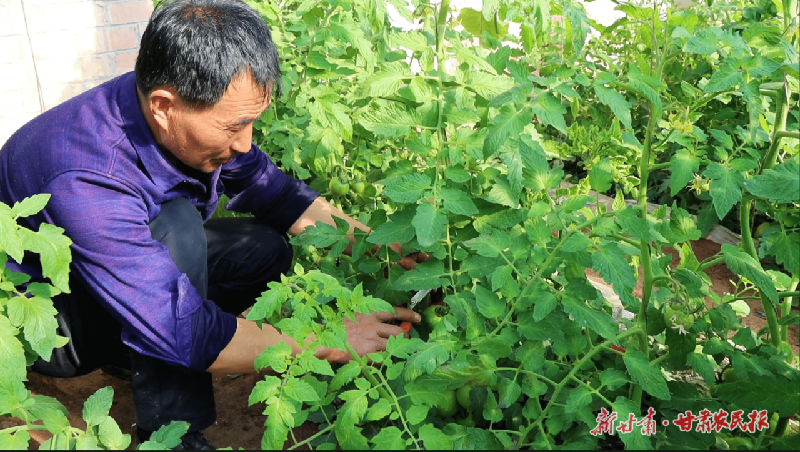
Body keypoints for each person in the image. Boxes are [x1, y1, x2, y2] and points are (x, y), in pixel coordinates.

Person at [0, 0, 423, 449]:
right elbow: (180, 324)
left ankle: (138, 357)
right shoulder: (86, 177)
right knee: (178, 229)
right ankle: (173, 430)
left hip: (115, 277)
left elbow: (272, 191)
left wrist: (377, 243)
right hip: (55, 326)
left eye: (253, 123)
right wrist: (328, 341)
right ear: (165, 106)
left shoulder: (173, 106)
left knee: (263, 249)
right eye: (233, 128)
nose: (246, 144)